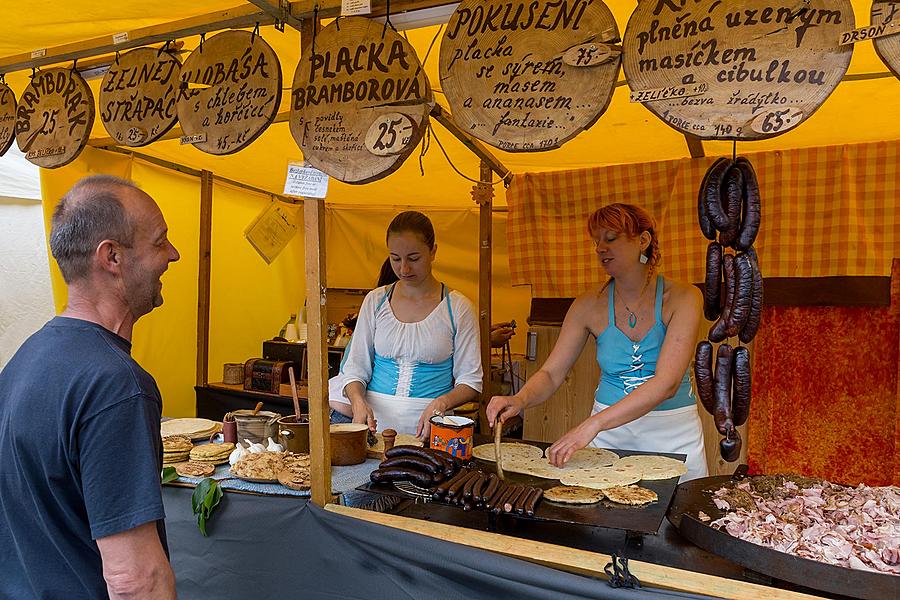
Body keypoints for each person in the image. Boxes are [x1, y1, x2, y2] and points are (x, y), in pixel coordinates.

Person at [0, 175, 179, 598]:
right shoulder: (116, 386)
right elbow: (135, 580)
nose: (173, 254)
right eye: (159, 242)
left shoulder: (24, 359)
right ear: (112, 257)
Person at [487, 203, 708, 481]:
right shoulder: (588, 304)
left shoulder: (684, 297)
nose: (600, 248)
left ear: (643, 240)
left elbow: (666, 384)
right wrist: (519, 399)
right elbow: (551, 373)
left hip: (673, 433)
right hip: (610, 439)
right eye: (596, 241)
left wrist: (592, 425)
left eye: (610, 238)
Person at [337, 211, 483, 439]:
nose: (404, 269)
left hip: (432, 429)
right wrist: (357, 401)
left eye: (414, 258)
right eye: (395, 259)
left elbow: (471, 381)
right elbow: (355, 368)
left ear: (433, 251)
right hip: (376, 429)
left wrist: (442, 402)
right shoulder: (375, 301)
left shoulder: (458, 308)